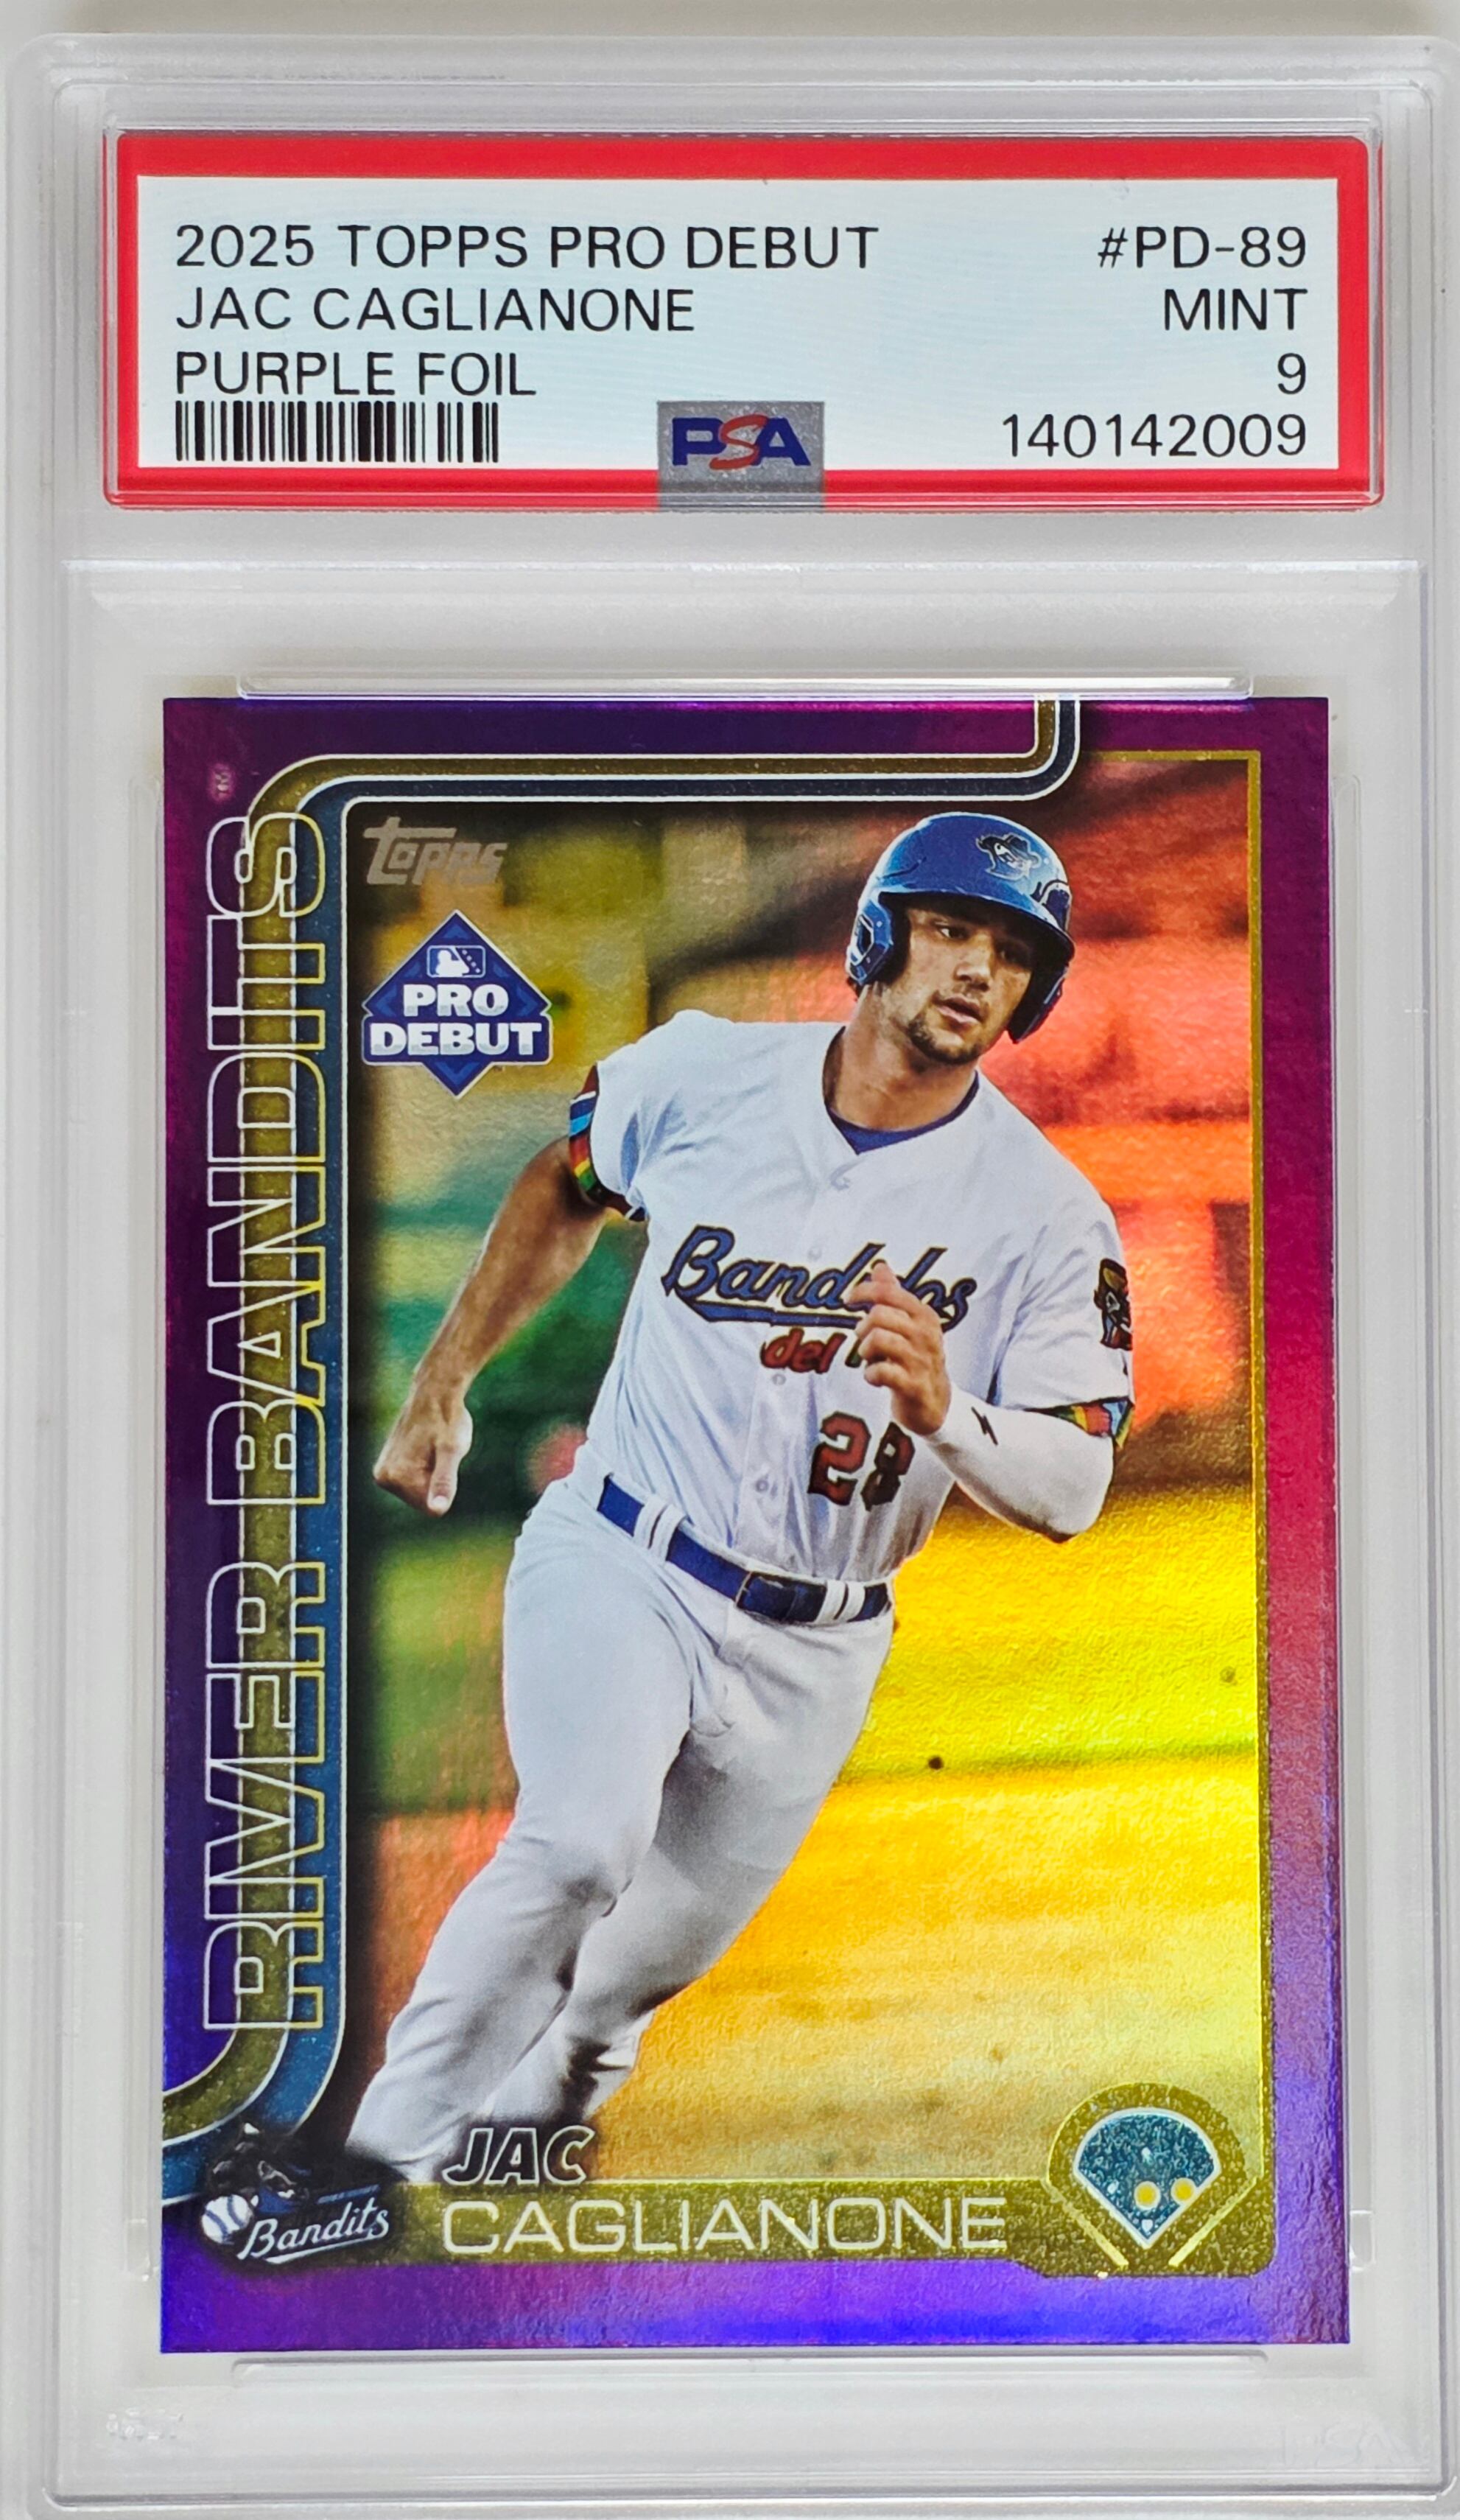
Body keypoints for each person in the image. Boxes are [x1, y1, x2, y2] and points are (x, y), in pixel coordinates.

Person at [350, 812, 1134, 2182]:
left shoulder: (1047, 1214)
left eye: (1011, 954)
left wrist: (949, 1415)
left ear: (1034, 993)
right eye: (950, 928)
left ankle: (534, 2131)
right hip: (626, 1554)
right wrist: (442, 1385)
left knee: (620, 1987)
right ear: (879, 935)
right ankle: (368, 2170)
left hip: (819, 1644)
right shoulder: (703, 1072)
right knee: (577, 1849)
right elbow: (565, 1184)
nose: (974, 969)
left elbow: (1072, 1487)